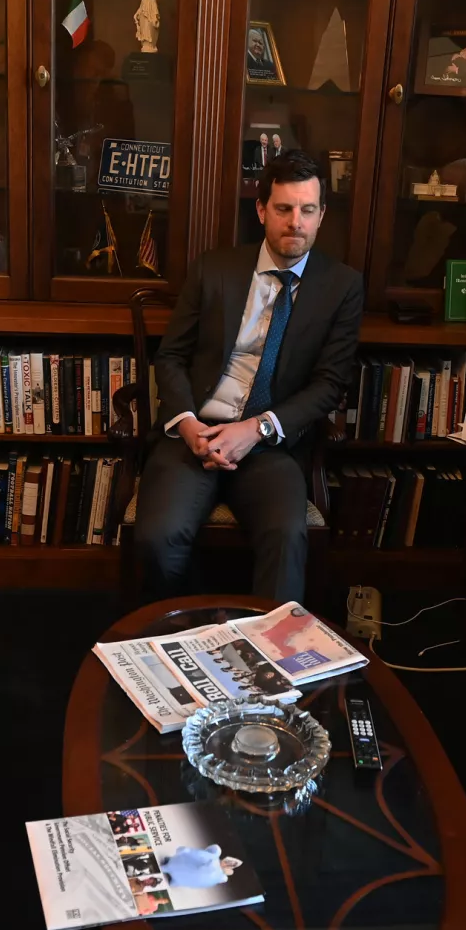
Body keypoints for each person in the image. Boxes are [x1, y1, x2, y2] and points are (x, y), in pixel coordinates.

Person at [140, 150, 362, 602]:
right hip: (195, 432)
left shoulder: (341, 286)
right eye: (283, 208)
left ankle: (272, 660)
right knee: (157, 540)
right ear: (262, 210)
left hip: (271, 445)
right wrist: (187, 425)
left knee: (286, 538)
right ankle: (182, 640)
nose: (295, 222)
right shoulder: (214, 268)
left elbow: (329, 383)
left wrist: (256, 429)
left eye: (307, 210)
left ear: (321, 216)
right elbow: (171, 356)